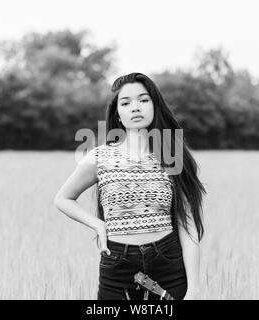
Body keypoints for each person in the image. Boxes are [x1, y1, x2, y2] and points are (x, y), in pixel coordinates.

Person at [54, 72, 207, 300]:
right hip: (117, 266)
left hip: (167, 263)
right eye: (126, 103)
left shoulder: (170, 154)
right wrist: (98, 225)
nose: (135, 107)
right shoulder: (100, 157)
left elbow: (188, 223)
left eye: (144, 100)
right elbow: (63, 198)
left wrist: (194, 290)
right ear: (118, 115)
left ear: (155, 106)